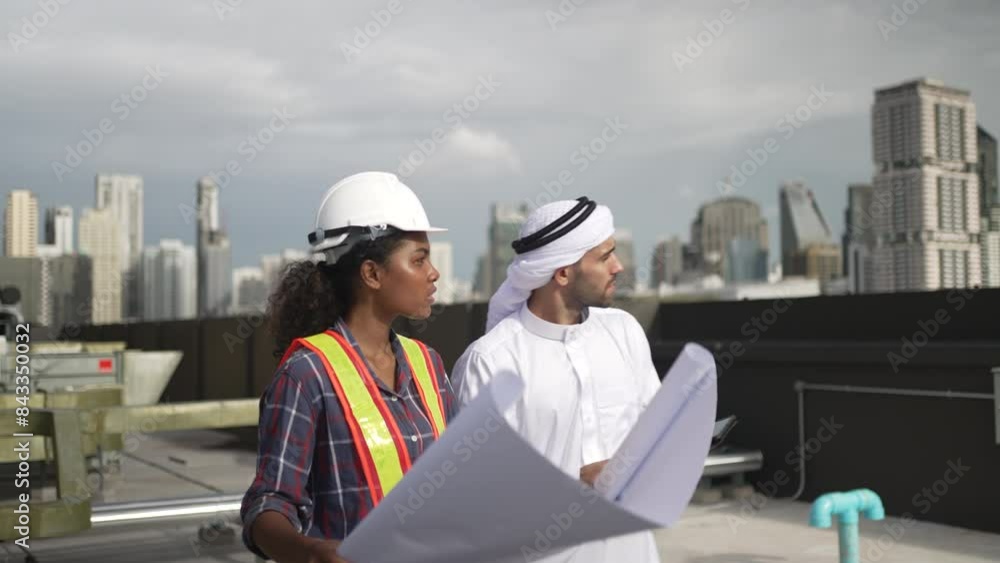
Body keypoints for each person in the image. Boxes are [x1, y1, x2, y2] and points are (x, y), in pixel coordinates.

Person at [241, 171, 457, 563]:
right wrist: (309, 552)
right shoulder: (307, 375)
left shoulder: (429, 364)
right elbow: (267, 505)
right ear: (372, 273)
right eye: (419, 259)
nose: (433, 272)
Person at [452, 197, 662, 563]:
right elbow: (479, 498)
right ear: (562, 273)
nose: (618, 266)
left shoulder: (624, 331)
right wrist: (578, 483)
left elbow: (657, 433)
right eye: (604, 256)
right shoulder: (491, 361)